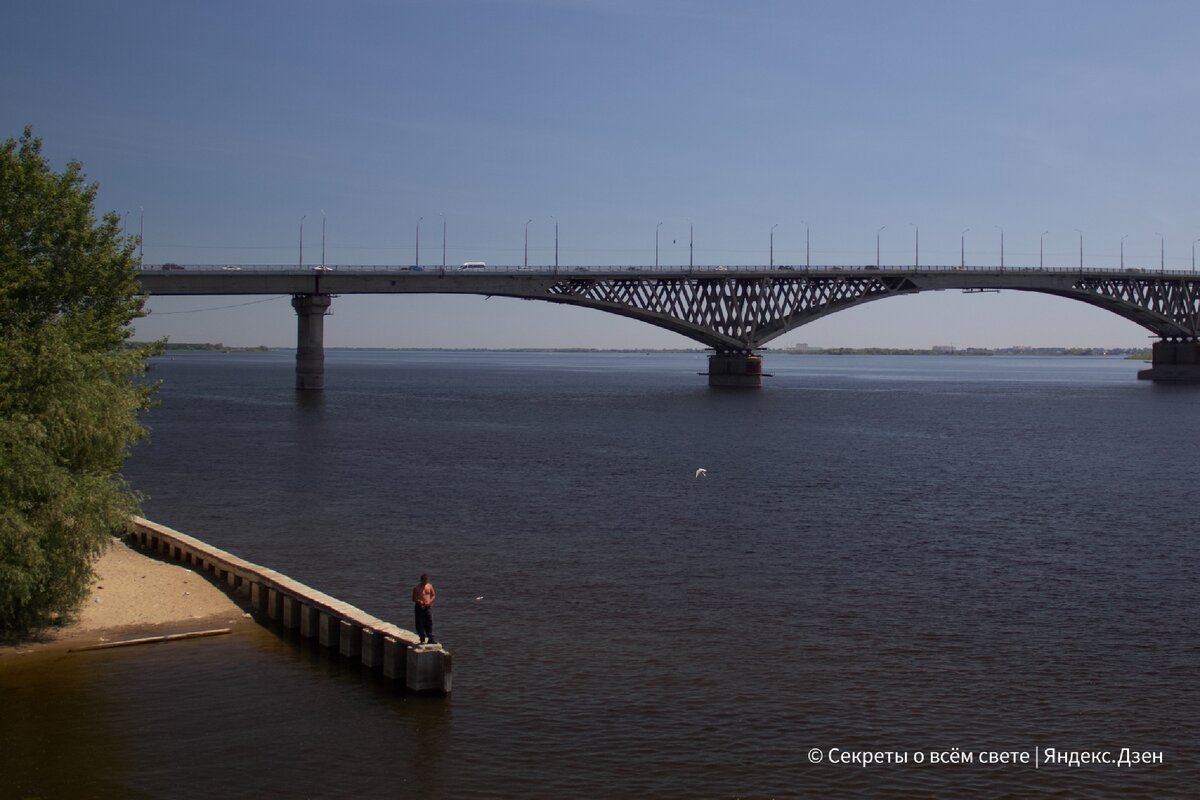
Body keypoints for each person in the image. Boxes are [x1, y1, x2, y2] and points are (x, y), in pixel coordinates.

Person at [412, 573, 436, 645]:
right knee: (420, 623)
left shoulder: (429, 586)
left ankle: (430, 638)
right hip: (420, 607)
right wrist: (419, 601)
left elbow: (433, 595)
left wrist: (429, 602)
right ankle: (422, 639)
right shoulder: (416, 588)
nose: (425, 582)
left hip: (428, 606)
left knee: (429, 622)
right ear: (421, 580)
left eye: (426, 580)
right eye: (424, 581)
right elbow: (413, 598)